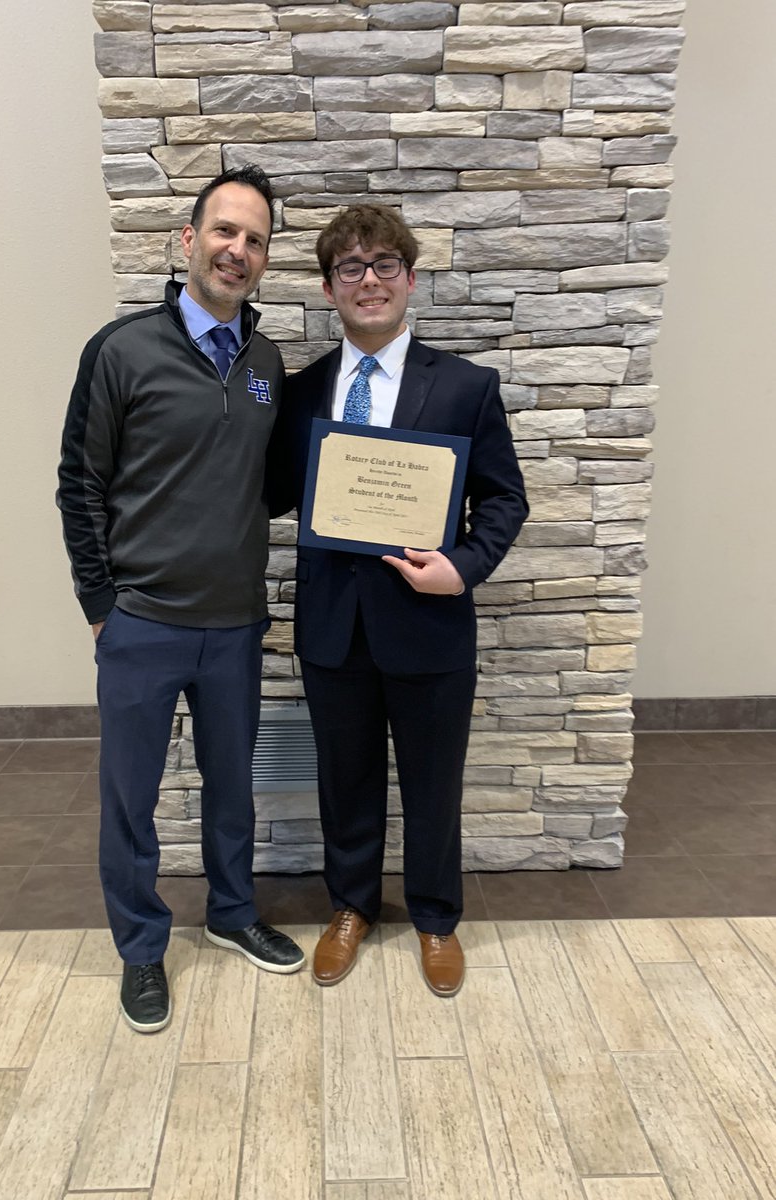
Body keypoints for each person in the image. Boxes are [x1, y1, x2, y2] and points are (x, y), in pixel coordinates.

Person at [57, 165, 304, 1035]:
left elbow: (268, 487)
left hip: (233, 624)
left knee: (231, 786)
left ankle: (233, 914)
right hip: (143, 624)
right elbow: (78, 483)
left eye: (256, 240)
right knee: (131, 796)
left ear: (266, 259)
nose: (238, 250)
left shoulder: (268, 362)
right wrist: (101, 604)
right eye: (225, 231)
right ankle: (140, 949)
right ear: (188, 240)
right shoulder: (121, 349)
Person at [278, 205, 527, 997]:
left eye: (385, 263)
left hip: (429, 622)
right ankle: (350, 908)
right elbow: (277, 493)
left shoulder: (465, 386)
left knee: (432, 782)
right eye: (350, 267)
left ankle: (435, 917)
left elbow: (504, 501)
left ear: (411, 279)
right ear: (328, 289)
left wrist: (461, 568)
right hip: (332, 628)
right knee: (343, 780)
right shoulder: (302, 390)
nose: (369, 280)